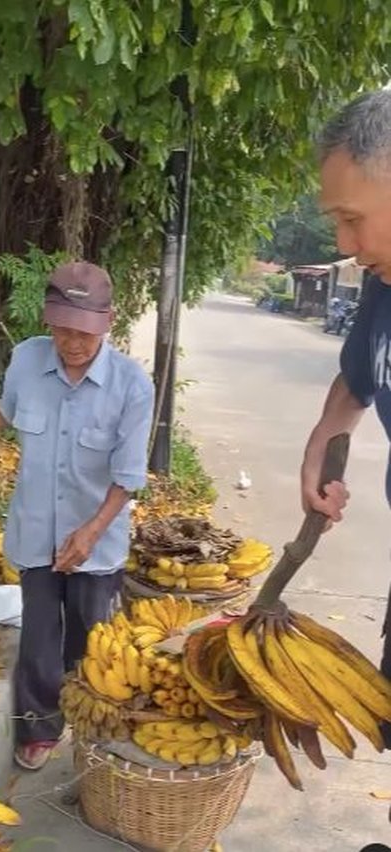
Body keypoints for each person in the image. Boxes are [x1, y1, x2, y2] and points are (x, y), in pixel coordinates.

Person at [0, 261, 154, 770]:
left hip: (98, 541)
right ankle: (40, 729)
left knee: (94, 642)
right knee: (39, 636)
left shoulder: (132, 385)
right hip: (36, 531)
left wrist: (89, 532)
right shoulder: (27, 359)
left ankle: (95, 731)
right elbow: (3, 414)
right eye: (62, 328)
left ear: (107, 322)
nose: (72, 342)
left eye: (83, 331)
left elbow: (128, 476)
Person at [301, 89, 391, 755]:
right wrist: (320, 448)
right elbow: (359, 380)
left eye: (352, 219)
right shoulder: (384, 288)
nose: (345, 245)